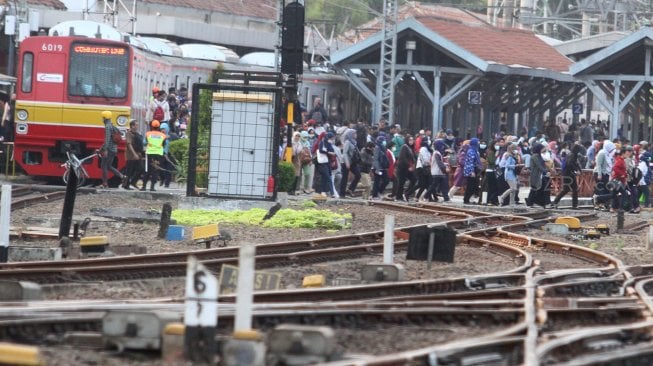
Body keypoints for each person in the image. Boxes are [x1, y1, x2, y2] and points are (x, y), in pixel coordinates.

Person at [99, 111, 126, 188]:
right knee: (109, 166)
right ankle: (122, 177)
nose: (102, 119)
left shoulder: (107, 127)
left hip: (109, 150)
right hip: (114, 149)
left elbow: (107, 140)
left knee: (104, 166)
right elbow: (120, 134)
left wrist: (104, 150)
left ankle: (105, 183)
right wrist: (101, 149)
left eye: (103, 118)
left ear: (104, 118)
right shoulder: (112, 126)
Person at [552, 144, 582, 209]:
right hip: (568, 174)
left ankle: (574, 205)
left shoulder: (571, 154)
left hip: (569, 174)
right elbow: (570, 163)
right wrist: (576, 170)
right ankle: (555, 202)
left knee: (573, 189)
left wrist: (579, 169)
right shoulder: (572, 155)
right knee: (567, 189)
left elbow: (575, 163)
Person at [141, 120, 167, 191]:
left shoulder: (148, 134)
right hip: (158, 154)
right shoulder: (163, 135)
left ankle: (144, 187)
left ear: (151, 126)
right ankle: (152, 187)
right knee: (155, 170)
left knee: (147, 170)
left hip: (149, 153)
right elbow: (164, 145)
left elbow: (144, 143)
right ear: (159, 127)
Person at [123, 120, 144, 190]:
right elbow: (129, 144)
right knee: (129, 171)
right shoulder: (129, 133)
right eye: (136, 125)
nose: (137, 126)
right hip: (131, 155)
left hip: (138, 154)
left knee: (141, 169)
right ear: (132, 126)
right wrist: (134, 154)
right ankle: (126, 185)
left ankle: (133, 182)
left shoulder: (137, 134)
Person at [340, 128, 361, 197]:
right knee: (345, 178)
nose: (356, 135)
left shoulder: (354, 142)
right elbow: (345, 153)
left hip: (353, 162)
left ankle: (350, 189)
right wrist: (347, 163)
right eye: (354, 134)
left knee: (358, 175)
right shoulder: (347, 142)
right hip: (346, 162)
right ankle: (342, 194)